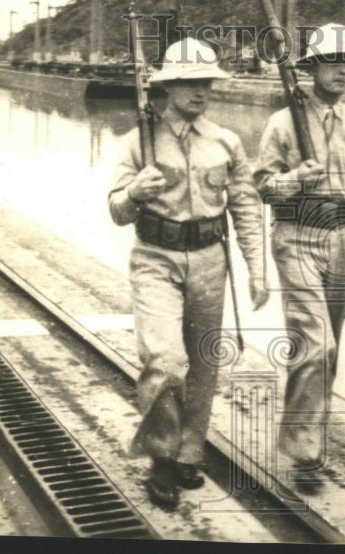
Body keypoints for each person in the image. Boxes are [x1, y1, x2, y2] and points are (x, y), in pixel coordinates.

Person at [108, 38, 268, 509]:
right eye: (192, 82)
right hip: (155, 257)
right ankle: (160, 456)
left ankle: (188, 453)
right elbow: (116, 210)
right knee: (165, 359)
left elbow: (244, 206)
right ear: (169, 86)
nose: (202, 91)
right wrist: (135, 193)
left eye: (208, 83)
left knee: (202, 363)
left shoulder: (226, 142)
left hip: (210, 259)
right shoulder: (136, 140)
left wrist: (257, 268)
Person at [254, 23, 345, 471]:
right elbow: (263, 188)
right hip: (295, 236)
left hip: (338, 239)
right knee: (316, 344)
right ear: (313, 69)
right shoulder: (282, 123)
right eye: (334, 62)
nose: (343, 71)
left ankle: (312, 430)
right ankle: (305, 452)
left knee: (333, 340)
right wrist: (295, 180)